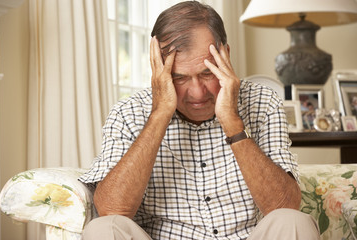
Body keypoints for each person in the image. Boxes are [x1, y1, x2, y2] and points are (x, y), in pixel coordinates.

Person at [79, 1, 320, 239]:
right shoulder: (127, 113)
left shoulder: (263, 102)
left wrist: (232, 123)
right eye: (180, 78)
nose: (197, 93)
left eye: (207, 73)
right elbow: (110, 211)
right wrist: (160, 114)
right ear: (158, 69)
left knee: (293, 222)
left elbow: (285, 205)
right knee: (103, 229)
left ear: (226, 55)